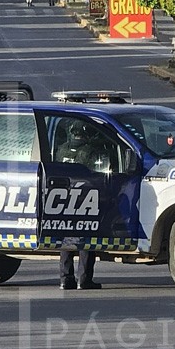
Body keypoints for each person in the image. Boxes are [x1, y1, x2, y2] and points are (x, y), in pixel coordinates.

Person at [54, 120, 117, 290]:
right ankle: (84, 279)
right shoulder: (89, 151)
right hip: (84, 196)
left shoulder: (62, 149)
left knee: (66, 238)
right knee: (86, 238)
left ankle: (65, 279)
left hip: (63, 196)